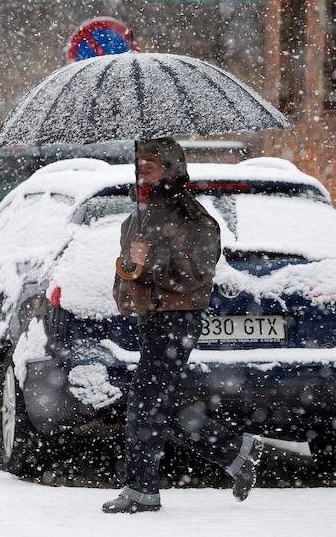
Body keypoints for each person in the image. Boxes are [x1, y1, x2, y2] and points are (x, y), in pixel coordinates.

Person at [102, 137, 264, 514]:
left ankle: (142, 490)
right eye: (139, 162)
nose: (143, 169)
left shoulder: (191, 216)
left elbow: (196, 271)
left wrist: (150, 260)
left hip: (177, 318)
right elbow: (127, 278)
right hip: (150, 318)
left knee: (146, 401)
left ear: (172, 169)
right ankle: (235, 451)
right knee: (159, 402)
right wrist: (129, 266)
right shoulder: (136, 219)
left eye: (152, 164)